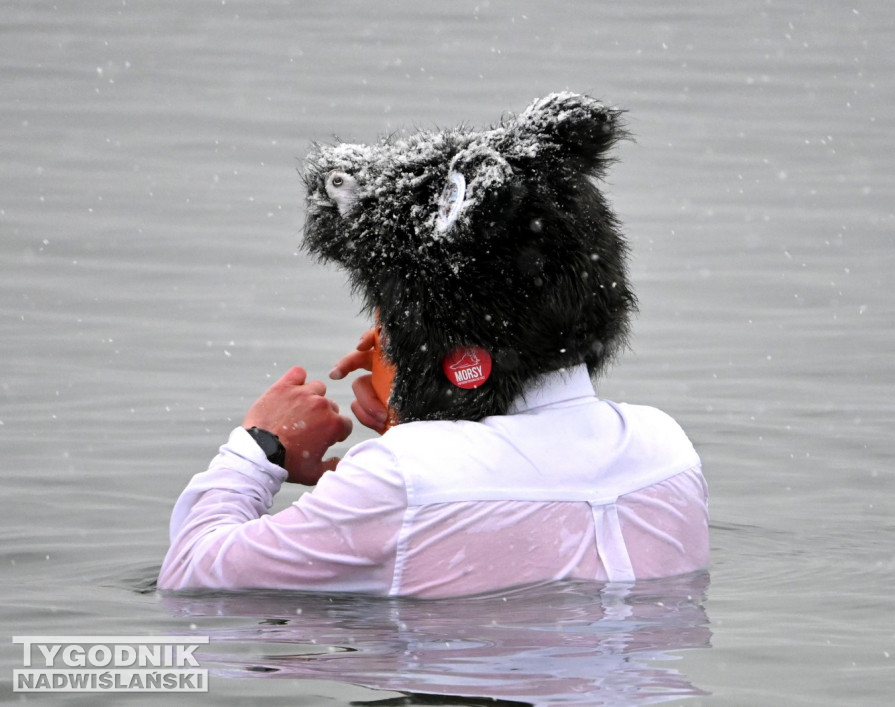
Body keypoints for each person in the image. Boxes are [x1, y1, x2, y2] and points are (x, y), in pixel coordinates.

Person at [158, 92, 709, 597]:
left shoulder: (403, 477)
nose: (380, 339)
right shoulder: (665, 450)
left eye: (387, 315)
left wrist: (263, 447)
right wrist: (424, 410)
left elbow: (190, 576)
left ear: (432, 331)